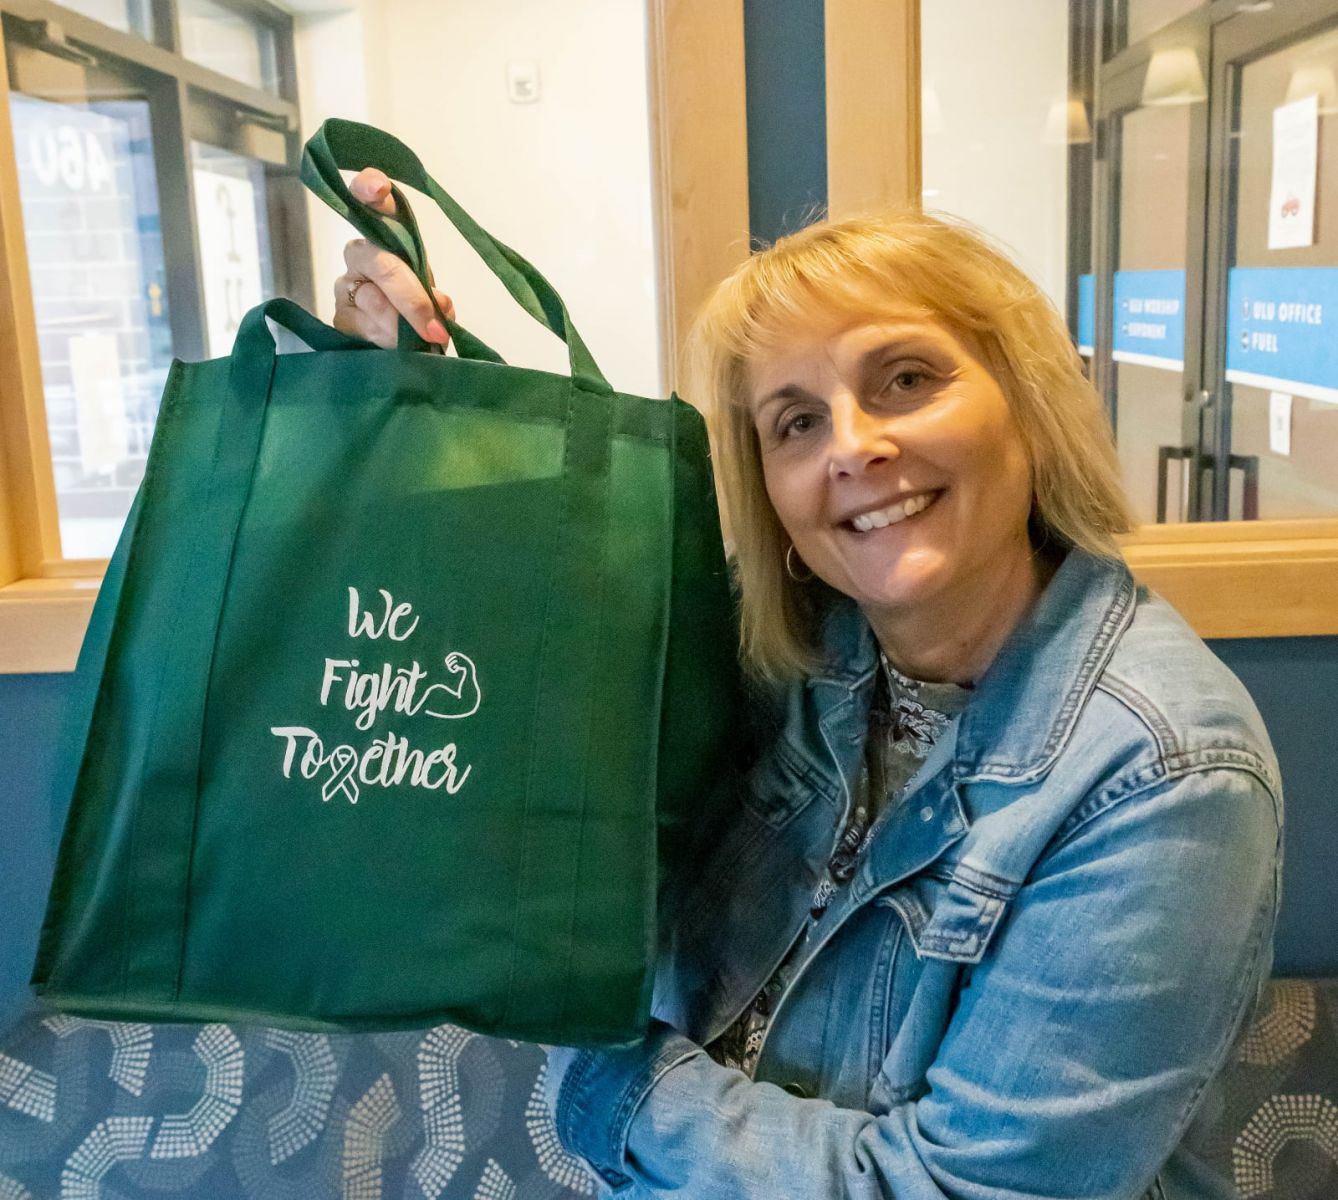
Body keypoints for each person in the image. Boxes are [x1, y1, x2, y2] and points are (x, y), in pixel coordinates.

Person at [333, 172, 1282, 1199]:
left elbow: (968, 1193)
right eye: (795, 423)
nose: (855, 448)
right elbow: (529, 656)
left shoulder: (1167, 773)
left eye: (907, 380)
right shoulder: (787, 657)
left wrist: (612, 1083)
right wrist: (410, 405)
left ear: (1027, 404)